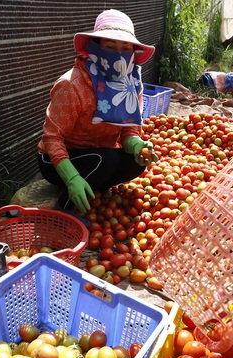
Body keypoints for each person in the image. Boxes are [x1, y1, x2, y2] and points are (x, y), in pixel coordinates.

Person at [36, 9, 158, 214]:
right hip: (57, 159)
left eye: (125, 48)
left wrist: (137, 145)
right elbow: (52, 137)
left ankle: (92, 188)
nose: (118, 55)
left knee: (134, 164)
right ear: (96, 48)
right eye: (110, 47)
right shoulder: (72, 84)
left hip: (99, 154)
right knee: (105, 160)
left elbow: (129, 131)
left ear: (133, 52)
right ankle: (64, 208)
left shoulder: (132, 85)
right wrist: (73, 178)